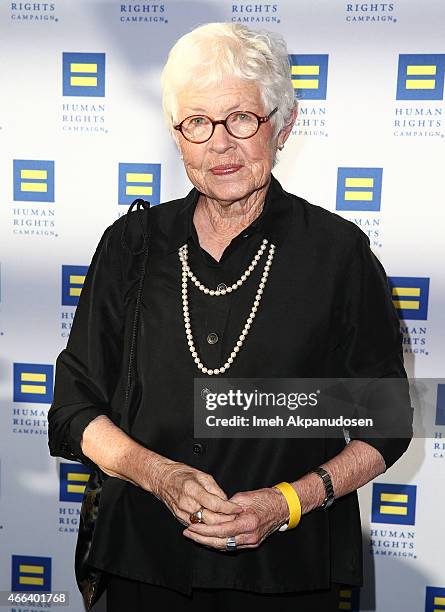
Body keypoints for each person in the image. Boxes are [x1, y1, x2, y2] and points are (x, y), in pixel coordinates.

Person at [48, 22, 413, 611]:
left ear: (283, 126)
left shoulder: (337, 253)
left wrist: (285, 503)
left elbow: (387, 421)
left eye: (242, 118)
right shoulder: (130, 246)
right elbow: (73, 407)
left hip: (286, 572)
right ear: (177, 135)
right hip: (144, 564)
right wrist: (160, 477)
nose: (220, 144)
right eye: (197, 122)